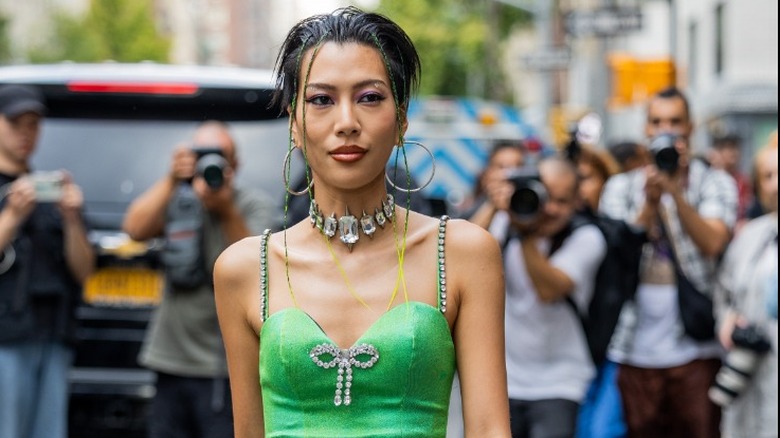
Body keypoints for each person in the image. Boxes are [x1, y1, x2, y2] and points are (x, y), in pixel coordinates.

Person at [213, 7, 510, 437]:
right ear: (295, 123)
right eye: (321, 100)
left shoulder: (462, 252)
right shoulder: (244, 268)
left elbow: (489, 429)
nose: (347, 122)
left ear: (402, 119)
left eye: (370, 97)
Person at [122, 120, 278, 437]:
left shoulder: (252, 203)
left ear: (235, 164)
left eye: (219, 155)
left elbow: (256, 265)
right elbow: (135, 229)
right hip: (170, 358)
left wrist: (224, 208)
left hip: (221, 366)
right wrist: (171, 179)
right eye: (200, 154)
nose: (209, 162)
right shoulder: (178, 197)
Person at [599, 87, 738, 437]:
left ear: (690, 128)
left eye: (675, 121)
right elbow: (617, 255)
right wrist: (650, 202)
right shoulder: (620, 187)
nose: (666, 129)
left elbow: (713, 242)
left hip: (697, 348)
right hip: (635, 347)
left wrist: (676, 192)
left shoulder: (716, 182)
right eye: (657, 121)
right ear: (645, 129)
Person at [0, 84, 95, 438]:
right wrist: (12, 215)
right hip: (6, 337)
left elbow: (84, 270)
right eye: (16, 123)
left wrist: (71, 219)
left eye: (33, 125)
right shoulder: (13, 197)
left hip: (53, 332)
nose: (26, 133)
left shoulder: (51, 191)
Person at [713, 134, 777, 438]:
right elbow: (724, 293)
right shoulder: (751, 235)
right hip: (749, 377)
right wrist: (727, 322)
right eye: (768, 176)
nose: (777, 185)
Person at [707, 133, 753, 230]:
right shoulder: (710, 180)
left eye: (735, 148)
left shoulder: (744, 180)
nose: (733, 152)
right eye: (728, 148)